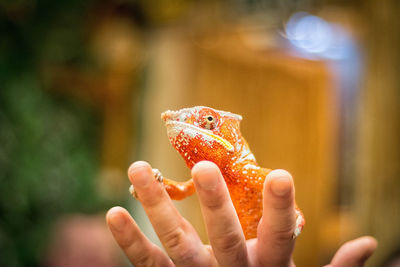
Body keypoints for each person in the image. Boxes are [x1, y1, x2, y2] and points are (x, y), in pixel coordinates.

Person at [106, 161, 377, 267]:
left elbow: (272, 182)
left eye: (209, 121)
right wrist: (158, 184)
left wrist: (297, 216)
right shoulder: (216, 173)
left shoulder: (242, 168)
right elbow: (182, 191)